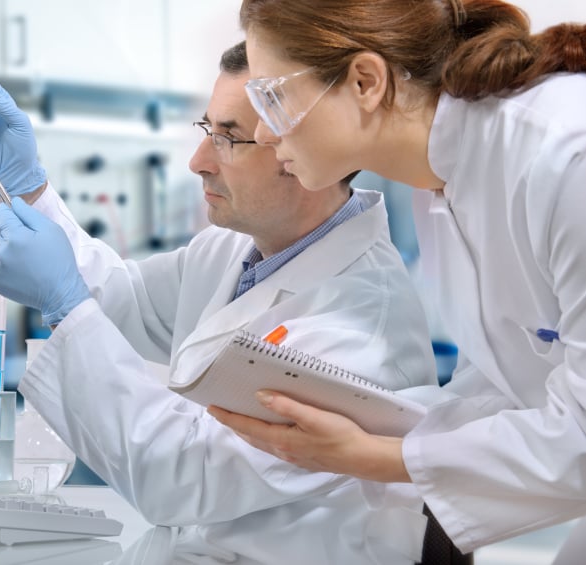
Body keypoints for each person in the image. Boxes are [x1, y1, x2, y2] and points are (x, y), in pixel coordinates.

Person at [0, 42, 438, 563]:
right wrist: (26, 190)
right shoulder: (237, 249)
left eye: (229, 138)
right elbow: (127, 303)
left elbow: (182, 476)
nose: (198, 161)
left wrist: (63, 303)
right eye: (206, 130)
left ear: (305, 155)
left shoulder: (360, 329)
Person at [208, 0, 586, 558]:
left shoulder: (564, 155)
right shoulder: (443, 181)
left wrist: (367, 456)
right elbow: (505, 383)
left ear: (364, 81)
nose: (263, 133)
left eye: (274, 97)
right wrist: (365, 421)